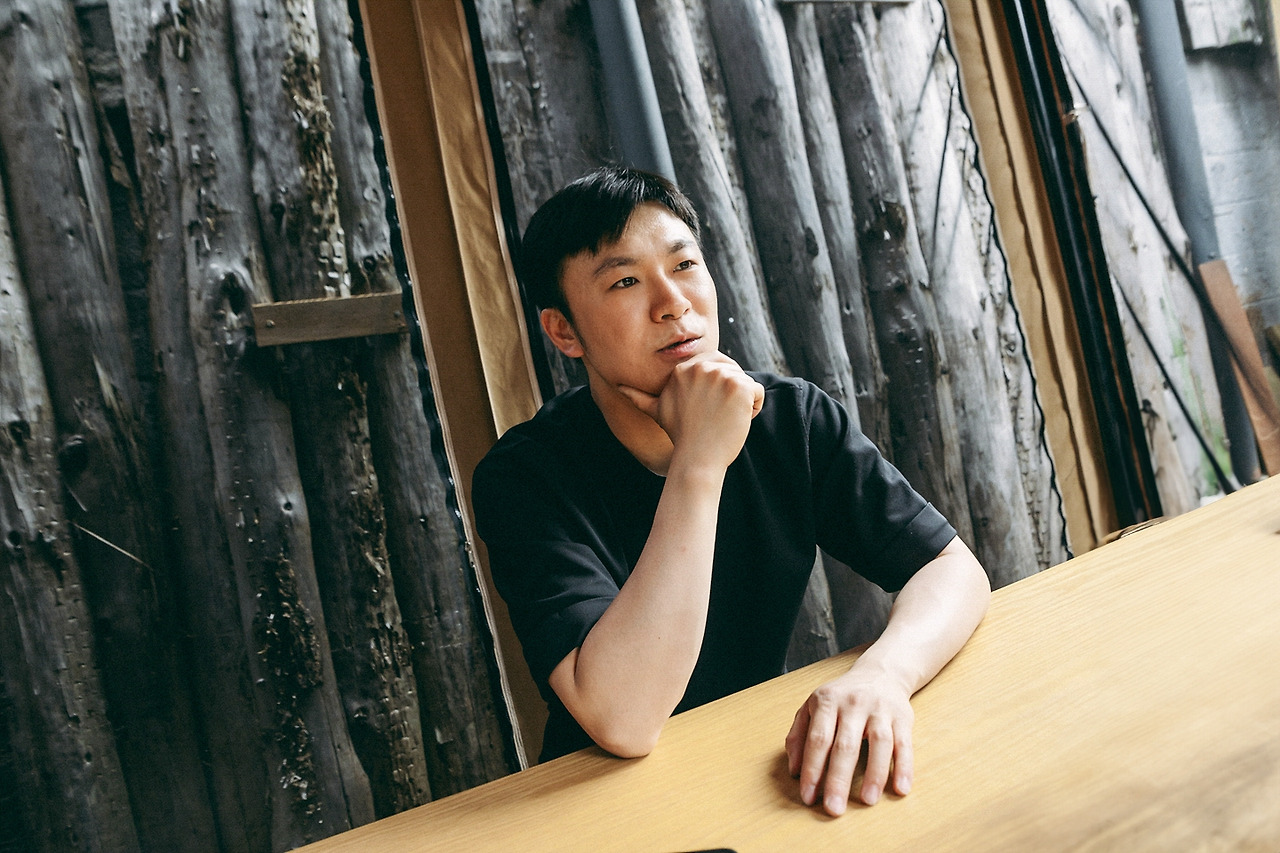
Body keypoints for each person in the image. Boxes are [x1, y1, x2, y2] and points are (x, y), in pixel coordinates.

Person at [471, 166, 990, 817]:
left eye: (684, 264)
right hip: (602, 804)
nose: (673, 303)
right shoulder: (523, 478)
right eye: (626, 281)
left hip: (757, 765)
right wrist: (699, 460)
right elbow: (625, 720)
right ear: (563, 331)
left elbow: (949, 567)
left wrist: (884, 674)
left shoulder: (789, 419)